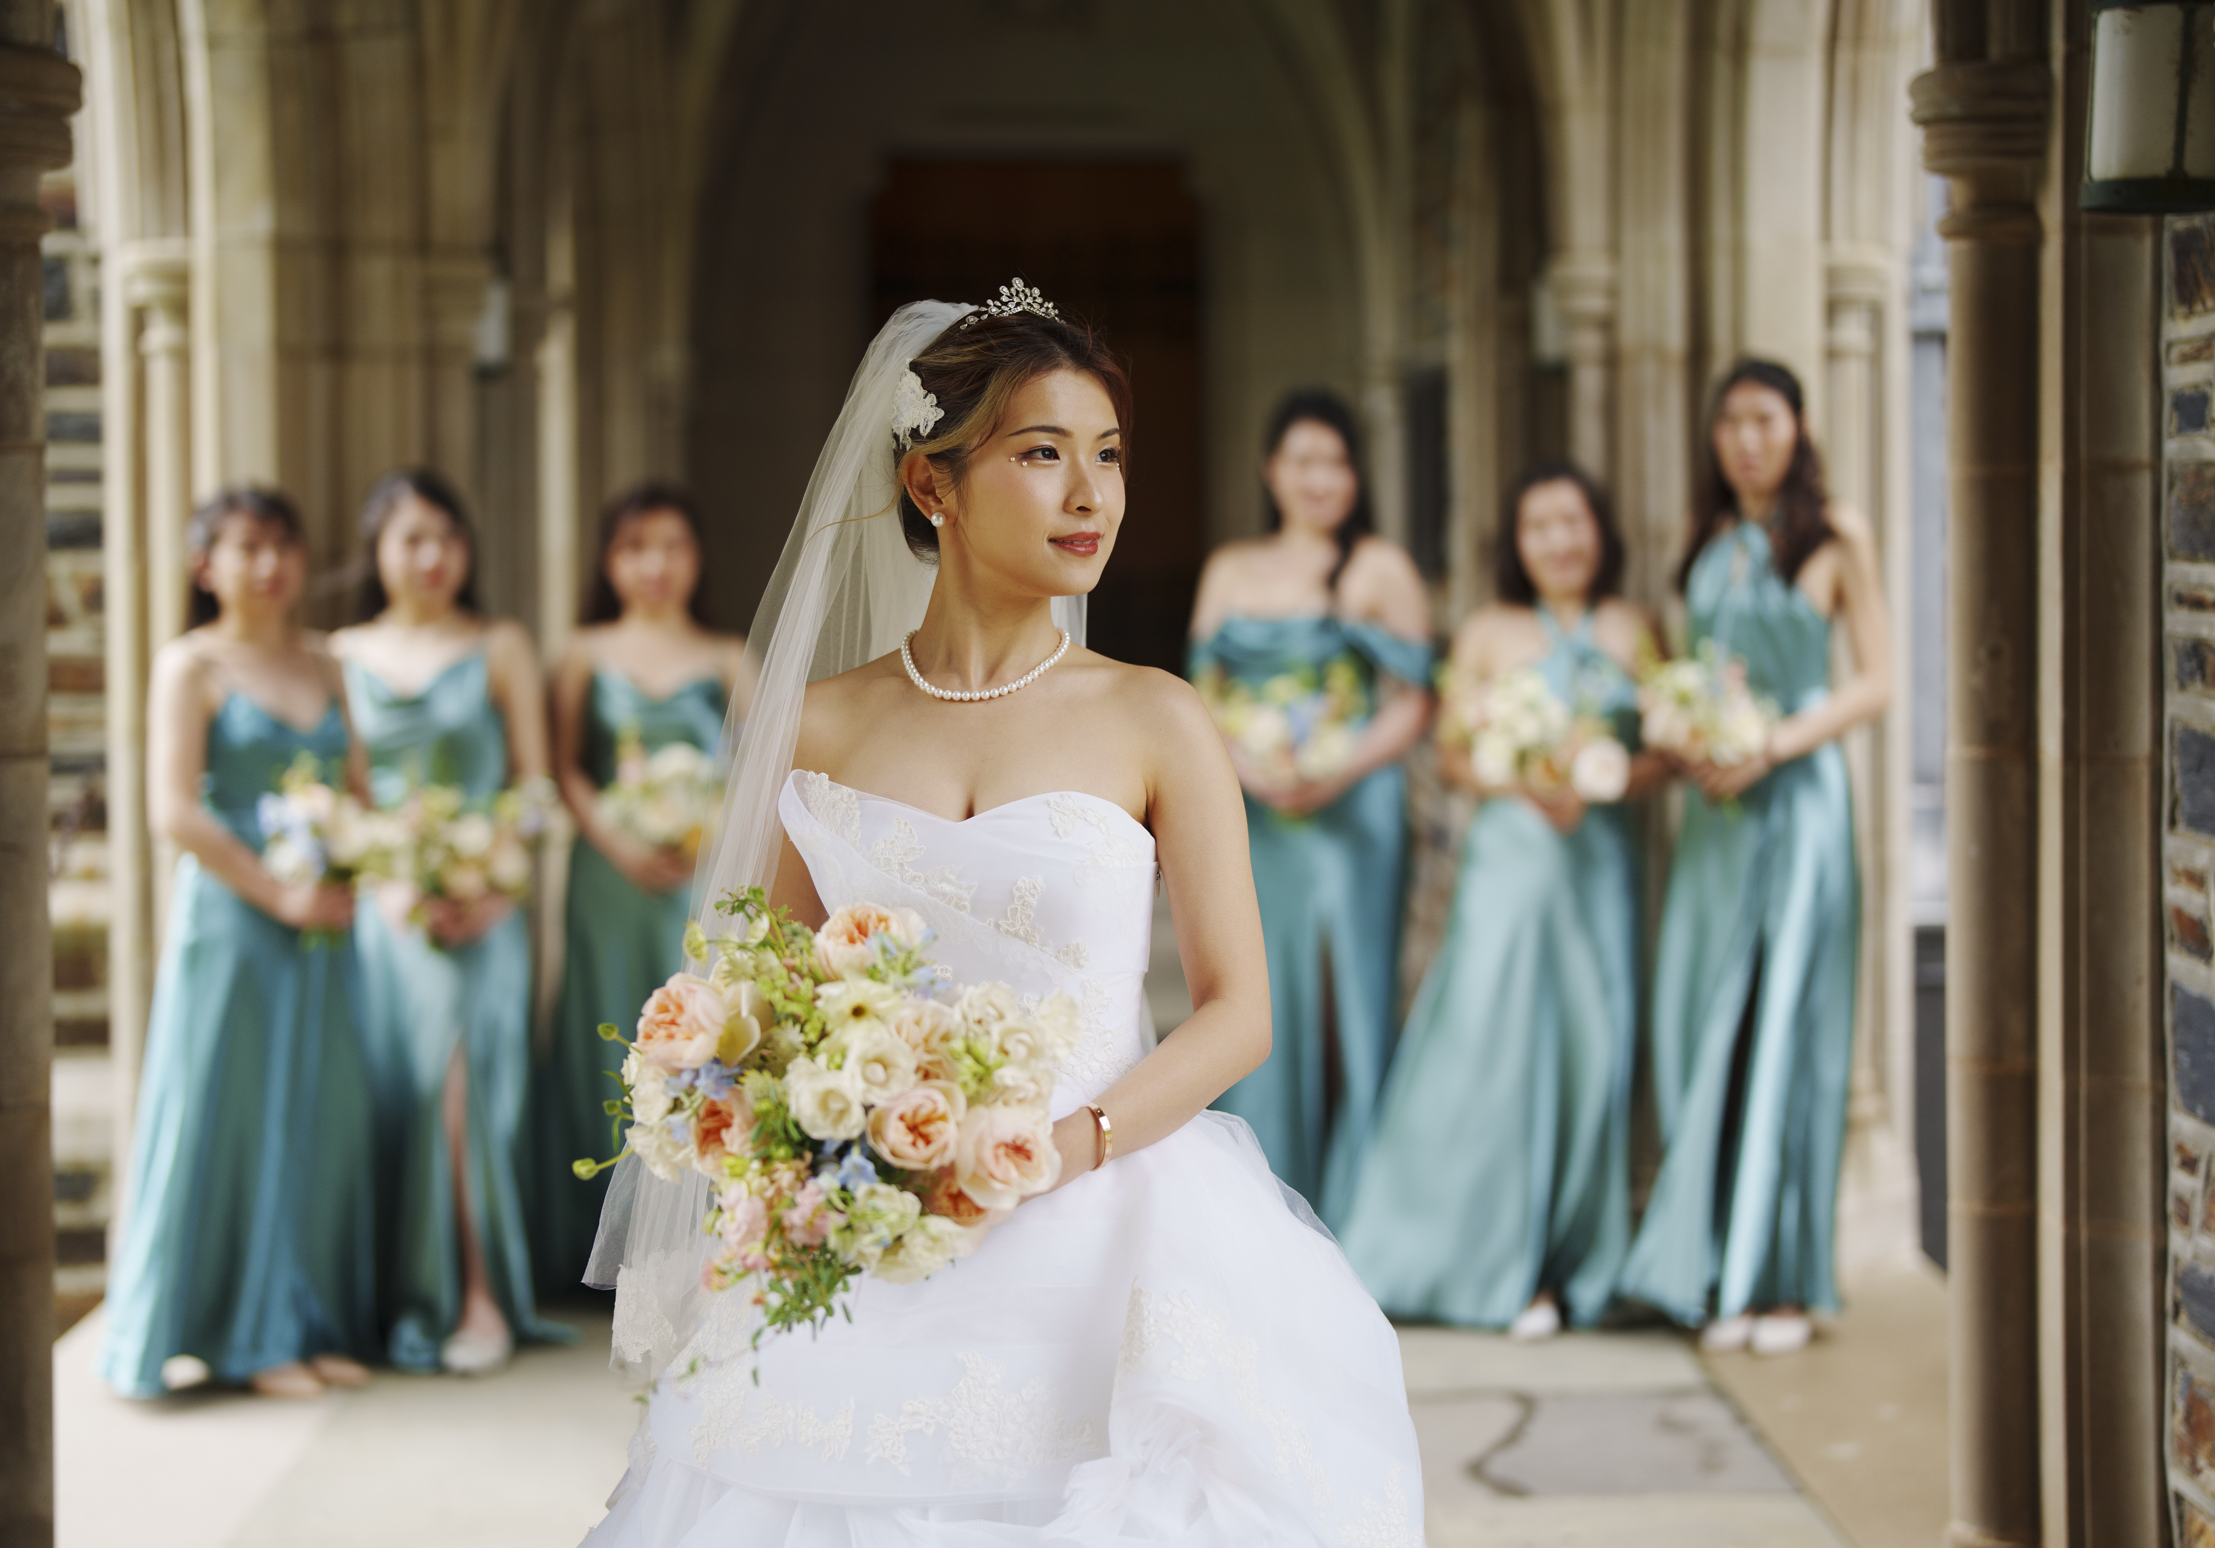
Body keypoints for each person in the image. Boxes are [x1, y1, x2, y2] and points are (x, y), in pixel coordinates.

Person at [578, 289, 1424, 1543]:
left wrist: (1067, 1146)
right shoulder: (815, 721)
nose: (1093, 494)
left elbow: (1238, 1010)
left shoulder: (1157, 717)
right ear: (933, 485)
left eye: (1110, 455)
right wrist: (803, 1135)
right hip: (877, 1215)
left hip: (1111, 1202)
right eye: (1043, 454)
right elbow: (772, 995)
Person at [1336, 463, 1662, 1339]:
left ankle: (1569, 1265)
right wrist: (1524, 777)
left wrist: (1612, 774)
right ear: (1517, 543)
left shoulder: (1635, 629)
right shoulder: (1486, 629)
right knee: (1490, 1055)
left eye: (1573, 521)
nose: (1560, 540)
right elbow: (1448, 753)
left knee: (1594, 1054)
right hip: (1510, 868)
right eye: (1539, 525)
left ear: (1600, 529)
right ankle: (1475, 1265)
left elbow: (1663, 748)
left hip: (1597, 868)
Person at [1618, 360, 1891, 1357]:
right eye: (1729, 422)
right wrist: (1689, 736)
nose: (1746, 439)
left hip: (1797, 806)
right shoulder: (1710, 540)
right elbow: (1696, 672)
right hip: (1715, 819)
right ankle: (1705, 1264)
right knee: (1703, 1025)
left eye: (1763, 419)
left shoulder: (1836, 534)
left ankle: (1781, 1281)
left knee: (1788, 1028)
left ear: (1799, 424)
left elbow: (1877, 682)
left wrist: (1771, 743)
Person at [96, 488, 379, 1399]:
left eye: (284, 545)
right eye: (249, 547)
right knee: (229, 1109)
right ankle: (237, 1339)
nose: (270, 565)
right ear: (204, 566)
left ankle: (296, 1320)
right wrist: (276, 893)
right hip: (231, 920)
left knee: (314, 1114)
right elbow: (172, 808)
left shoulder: (329, 661)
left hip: (325, 921)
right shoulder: (191, 665)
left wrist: (355, 866)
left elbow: (361, 788)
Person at [331, 469, 571, 1374]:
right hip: (388, 911)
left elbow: (534, 787)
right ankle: (394, 1291)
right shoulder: (340, 652)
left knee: (468, 1089)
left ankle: (477, 1291)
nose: (432, 556)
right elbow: (349, 796)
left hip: (487, 907)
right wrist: (388, 881)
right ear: (378, 551)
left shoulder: (500, 642)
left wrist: (500, 886)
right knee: (400, 1092)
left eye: (448, 537)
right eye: (411, 538)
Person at [1184, 390, 1433, 1221]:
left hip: (1353, 815)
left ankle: (1362, 1208)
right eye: (1302, 461)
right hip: (1258, 814)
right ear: (1271, 470)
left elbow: (1413, 700)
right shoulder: (1230, 567)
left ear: (1357, 473)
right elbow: (1200, 695)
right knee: (1259, 989)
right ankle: (1262, 1199)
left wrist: (1335, 767)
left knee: (1346, 997)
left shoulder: (1379, 568)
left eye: (1335, 462)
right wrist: (1249, 770)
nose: (1319, 479)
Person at [531, 486, 740, 1291]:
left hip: (697, 880)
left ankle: (683, 1246)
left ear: (697, 557)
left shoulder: (727, 656)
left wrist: (707, 833)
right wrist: (616, 840)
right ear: (608, 561)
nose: (654, 566)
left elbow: (769, 760)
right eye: (634, 547)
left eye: (672, 546)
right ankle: (589, 1252)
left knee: (696, 1040)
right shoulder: (583, 651)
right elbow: (565, 766)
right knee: (606, 1030)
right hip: (606, 877)